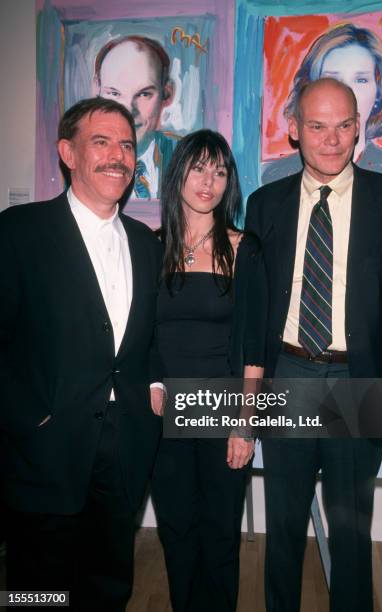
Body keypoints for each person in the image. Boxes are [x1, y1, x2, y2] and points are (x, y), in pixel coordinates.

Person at [245, 78, 382, 611]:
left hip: (356, 380)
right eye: (317, 126)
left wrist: (378, 360)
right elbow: (256, 302)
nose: (332, 139)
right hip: (288, 376)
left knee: (350, 529)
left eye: (344, 125)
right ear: (294, 130)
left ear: (358, 127)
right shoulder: (264, 204)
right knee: (286, 525)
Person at [0, 97, 165, 611]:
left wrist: (154, 391)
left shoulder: (146, 243)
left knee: (108, 579)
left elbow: (151, 337)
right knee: (37, 589)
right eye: (102, 142)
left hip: (126, 443)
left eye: (127, 145)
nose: (118, 156)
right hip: (44, 445)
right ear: (67, 152)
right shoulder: (19, 232)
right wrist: (28, 419)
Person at [151, 129, 265, 612]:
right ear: (178, 173)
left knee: (219, 532)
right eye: (198, 168)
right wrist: (155, 383)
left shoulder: (244, 248)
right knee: (176, 532)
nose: (209, 181)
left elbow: (254, 346)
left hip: (221, 410)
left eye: (220, 171)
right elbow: (140, 335)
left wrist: (245, 424)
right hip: (162, 414)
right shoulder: (150, 246)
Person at [262, 22, 382, 184]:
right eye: (332, 79)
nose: (345, 92)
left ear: (379, 94)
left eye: (361, 80)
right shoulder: (274, 176)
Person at [93, 35, 178, 199]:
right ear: (97, 89)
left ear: (167, 94)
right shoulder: (79, 160)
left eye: (144, 94)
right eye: (114, 93)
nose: (128, 111)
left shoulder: (187, 157)